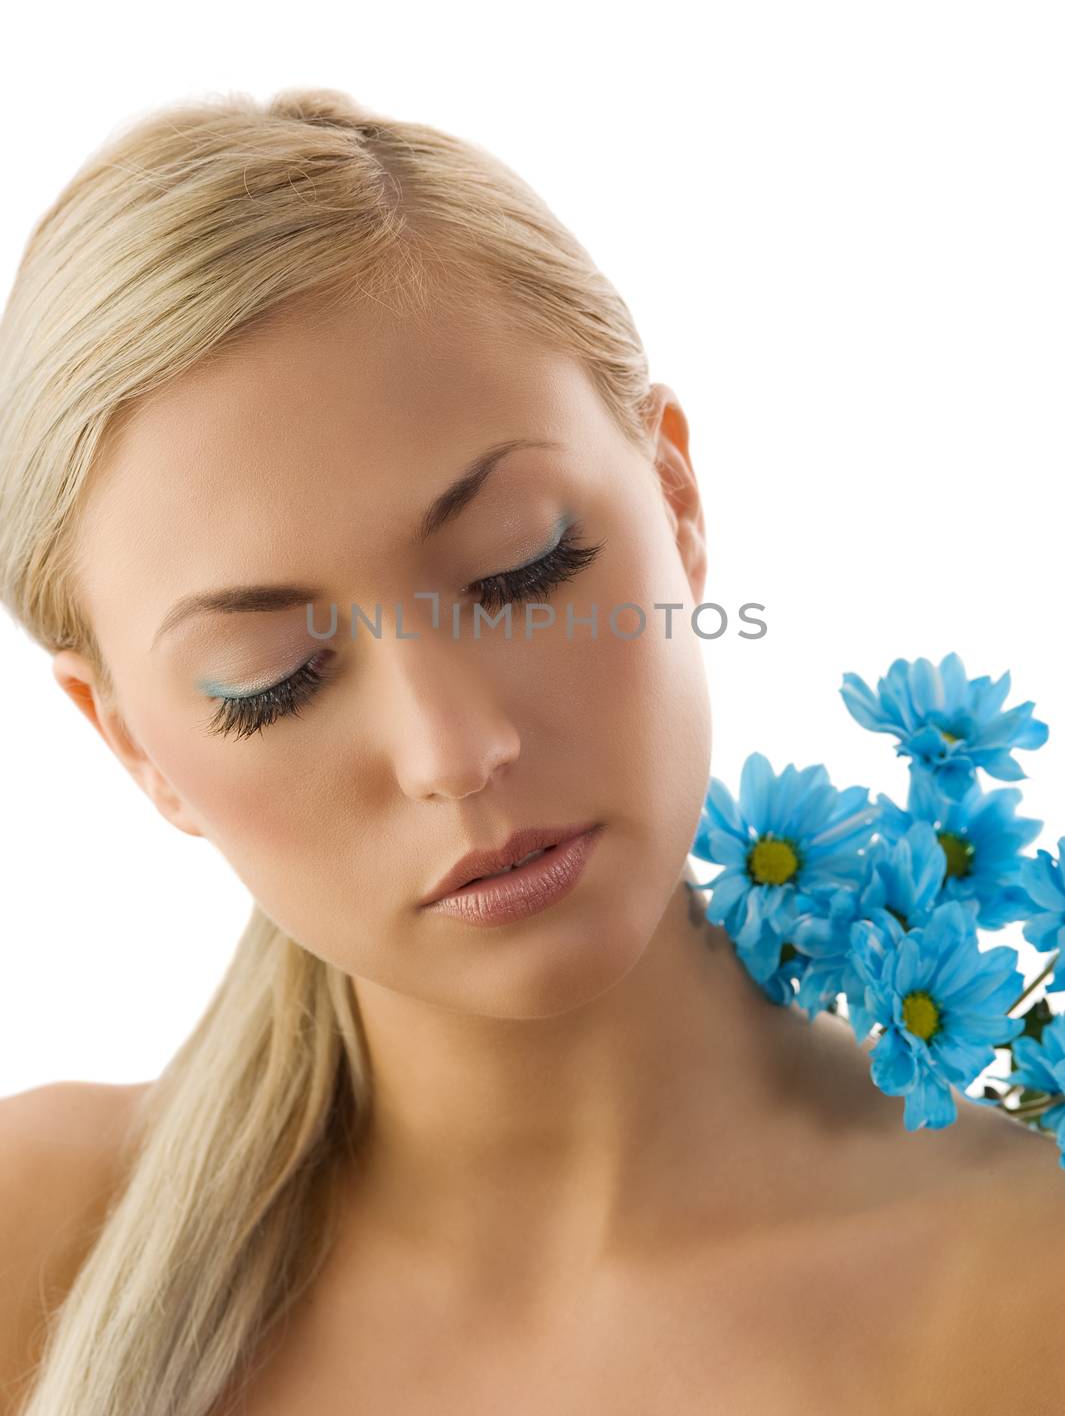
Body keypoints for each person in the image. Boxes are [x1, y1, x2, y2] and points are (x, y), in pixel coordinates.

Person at [0, 88, 1062, 1416]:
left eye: (519, 568)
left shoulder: (1027, 1288)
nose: (453, 749)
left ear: (674, 501)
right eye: (273, 682)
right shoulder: (34, 1249)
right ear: (133, 752)